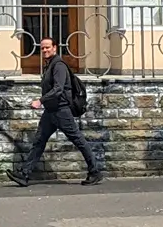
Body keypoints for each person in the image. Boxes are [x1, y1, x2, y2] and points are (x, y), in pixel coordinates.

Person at [10, 37, 101, 186]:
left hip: (61, 110)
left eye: (47, 47)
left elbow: (58, 89)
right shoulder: (50, 65)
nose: (45, 50)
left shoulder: (58, 66)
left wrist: (40, 101)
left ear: (54, 48)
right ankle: (24, 175)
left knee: (78, 140)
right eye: (42, 48)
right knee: (39, 141)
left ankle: (95, 171)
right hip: (51, 111)